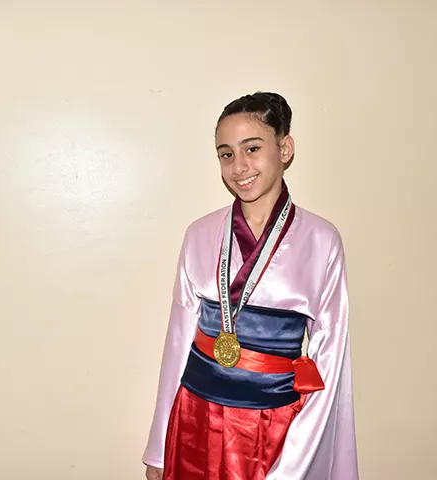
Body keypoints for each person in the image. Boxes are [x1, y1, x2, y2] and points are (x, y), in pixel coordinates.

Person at [142, 92, 358, 480]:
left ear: (285, 148)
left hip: (276, 428)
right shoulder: (199, 233)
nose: (239, 166)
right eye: (226, 154)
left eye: (252, 148)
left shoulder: (322, 240)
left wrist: (294, 462)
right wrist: (159, 445)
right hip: (196, 420)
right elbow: (178, 342)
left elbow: (329, 359)